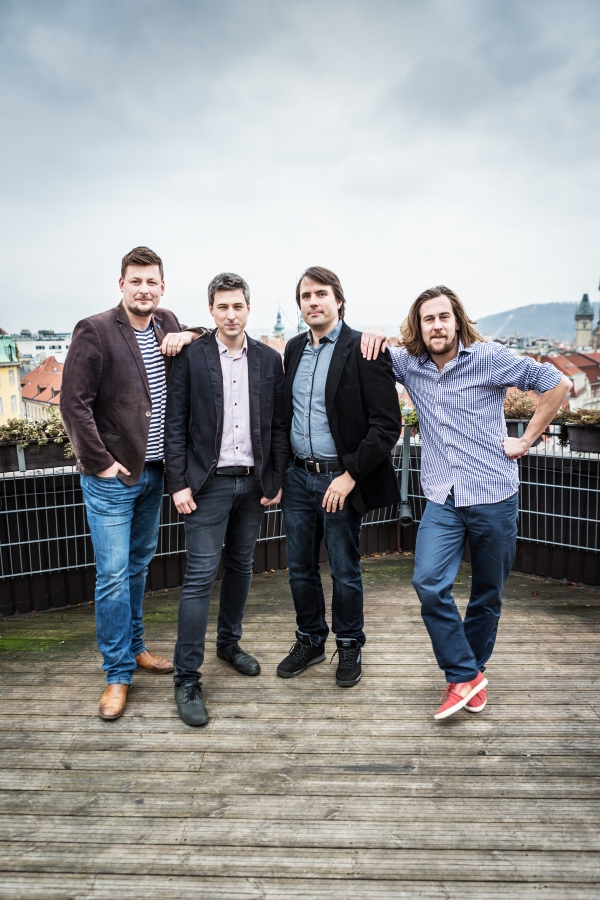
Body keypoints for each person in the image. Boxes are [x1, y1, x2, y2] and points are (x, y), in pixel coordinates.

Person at [361, 285, 571, 719]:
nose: (437, 326)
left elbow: (559, 383)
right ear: (418, 326)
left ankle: (468, 675)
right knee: (428, 583)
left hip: (494, 494)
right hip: (443, 497)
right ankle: (465, 675)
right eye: (428, 319)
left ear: (457, 321)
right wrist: (375, 330)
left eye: (444, 317)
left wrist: (526, 440)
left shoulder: (489, 358)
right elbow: (374, 352)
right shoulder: (409, 364)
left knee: (487, 593)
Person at [60, 246, 206, 720]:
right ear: (121, 284)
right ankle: (117, 673)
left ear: (162, 287)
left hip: (156, 472)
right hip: (113, 478)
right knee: (113, 575)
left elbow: (202, 340)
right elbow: (73, 404)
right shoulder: (96, 330)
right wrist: (100, 463)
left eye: (151, 282)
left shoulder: (167, 321)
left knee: (139, 566)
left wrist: (191, 334)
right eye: (135, 281)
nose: (144, 289)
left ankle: (136, 647)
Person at [164, 272, 289, 727]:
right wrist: (178, 483)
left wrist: (274, 478)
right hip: (206, 485)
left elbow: (278, 425)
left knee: (241, 566)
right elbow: (174, 424)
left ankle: (228, 644)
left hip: (253, 484)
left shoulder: (268, 359)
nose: (231, 314)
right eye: (223, 306)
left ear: (248, 309)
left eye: (238, 306)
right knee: (199, 577)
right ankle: (186, 678)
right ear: (211, 310)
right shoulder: (191, 357)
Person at [277, 267, 401, 688]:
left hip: (340, 481)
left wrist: (350, 476)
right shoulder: (293, 348)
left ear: (339, 300)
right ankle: (311, 640)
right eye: (305, 296)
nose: (313, 301)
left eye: (321, 294)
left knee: (344, 570)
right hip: (298, 478)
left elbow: (386, 425)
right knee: (299, 568)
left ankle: (348, 644)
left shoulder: (363, 348)